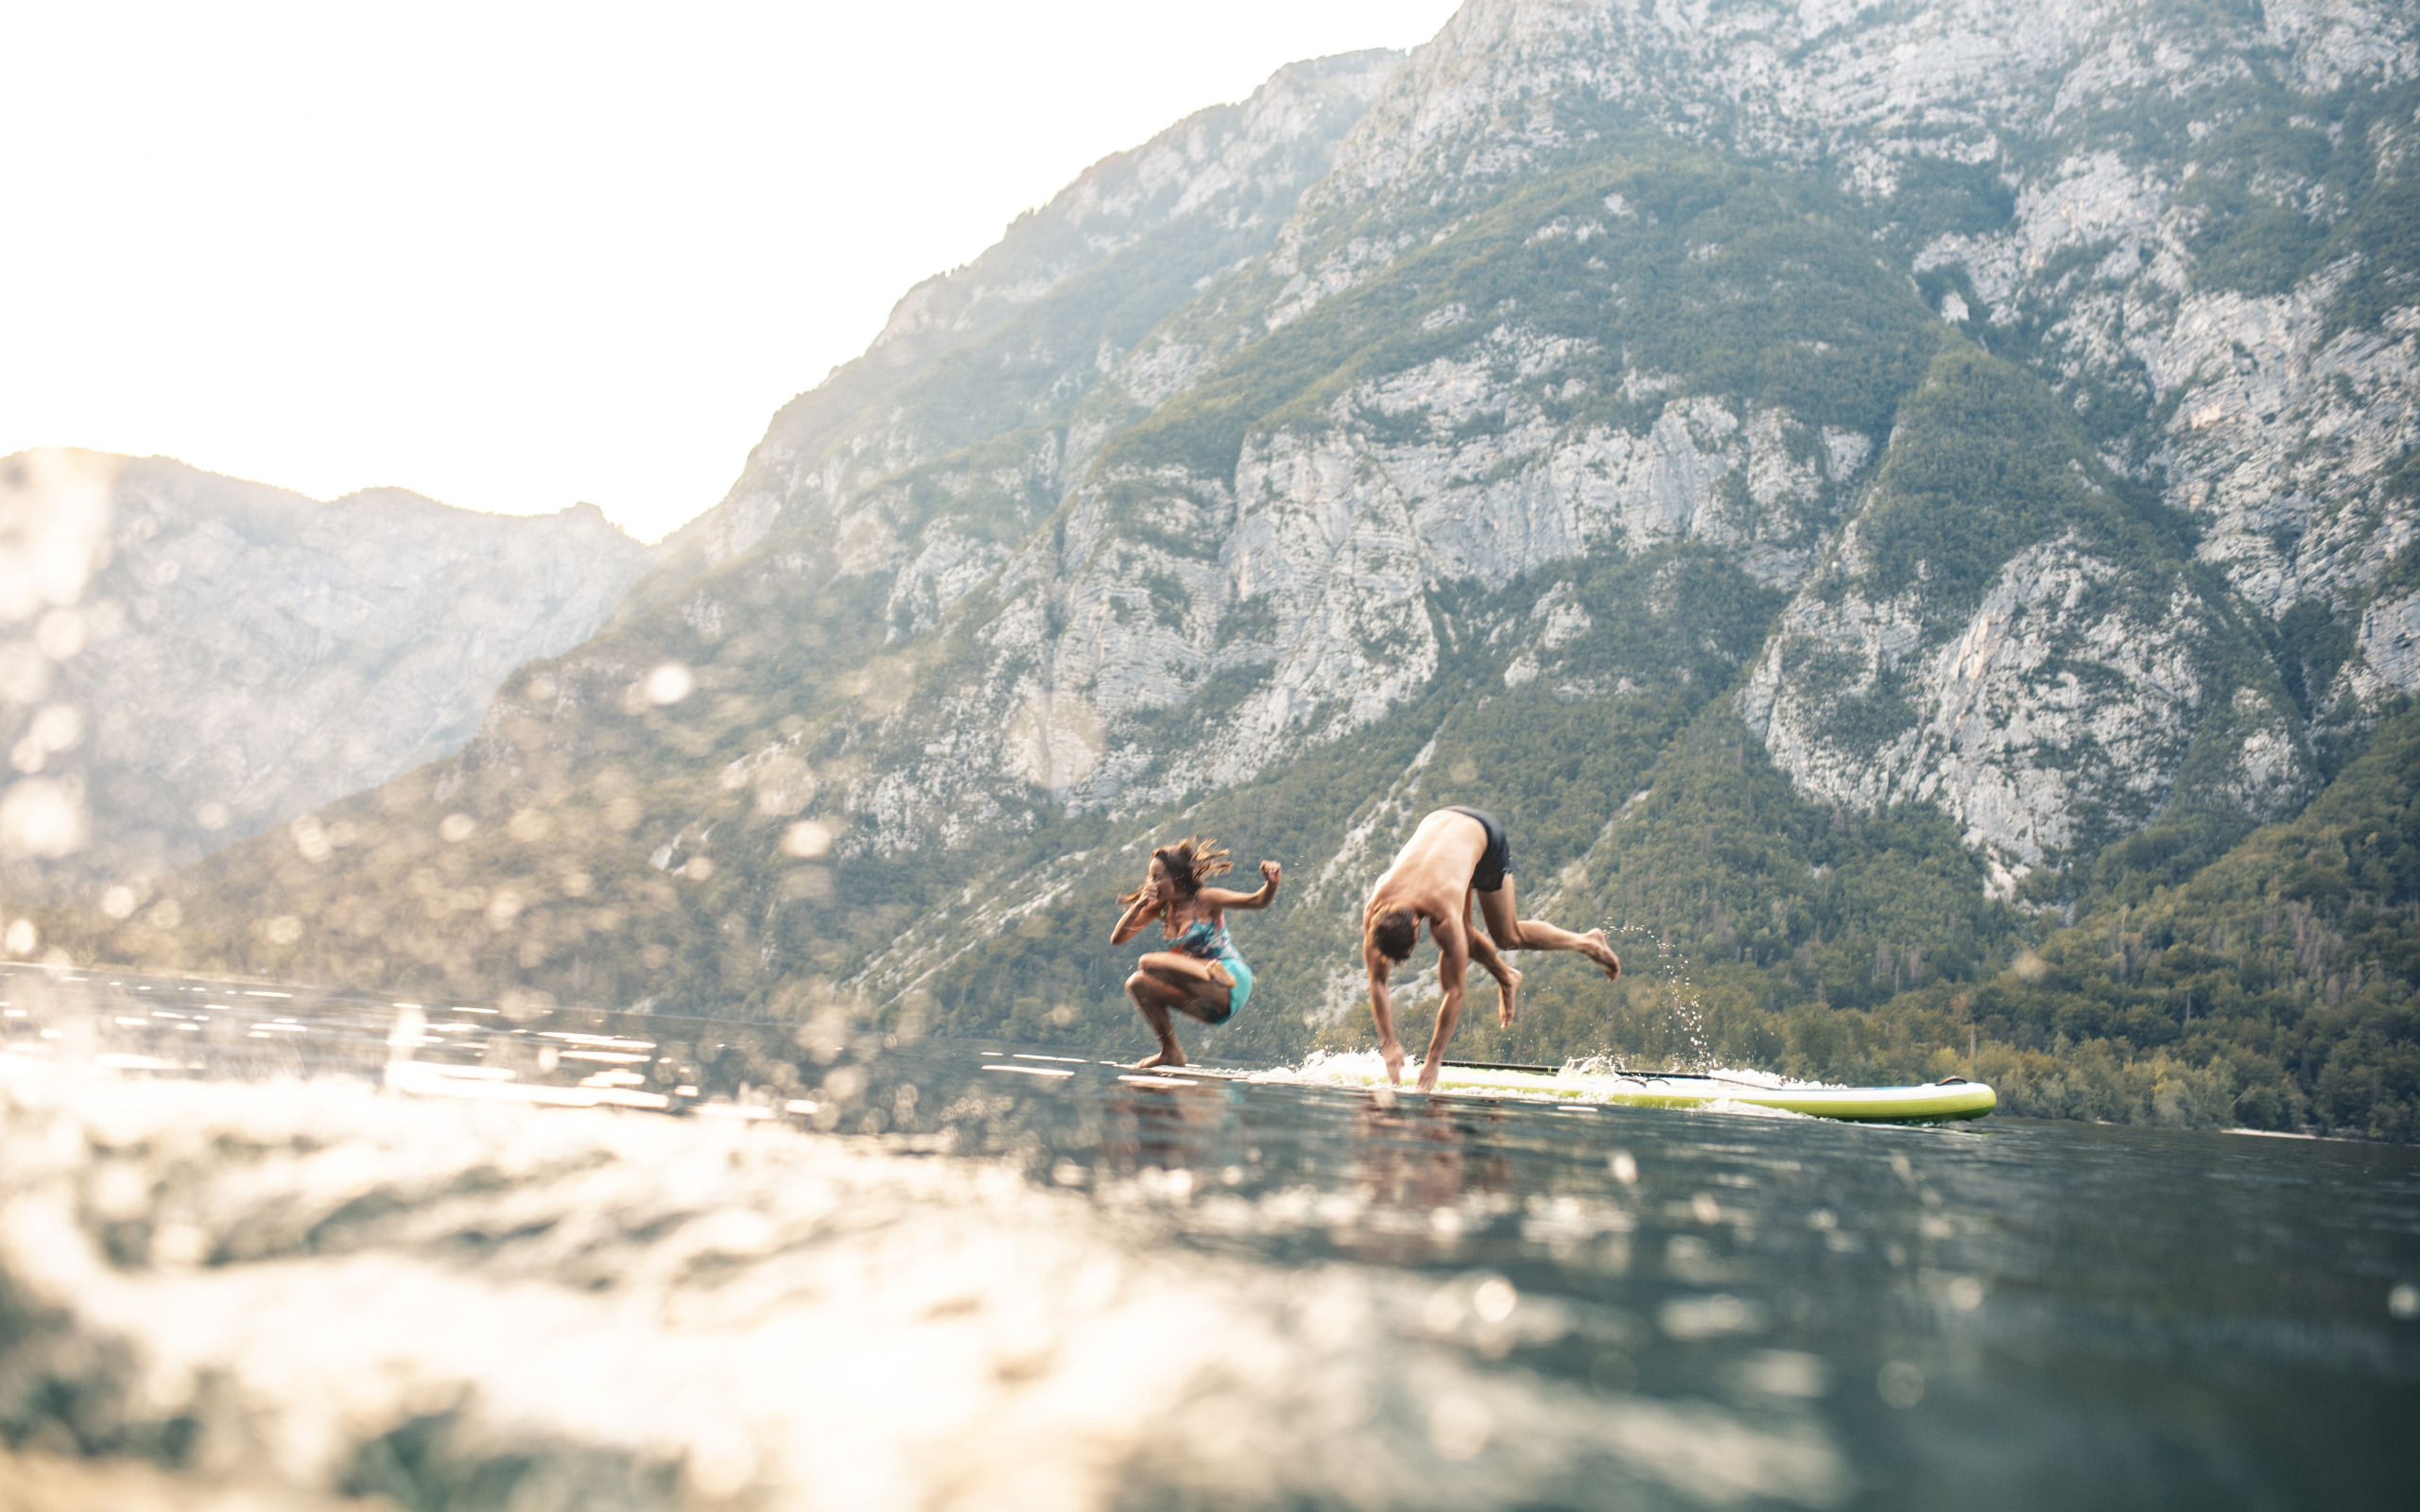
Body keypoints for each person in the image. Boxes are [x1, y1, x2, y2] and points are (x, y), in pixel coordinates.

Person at [1361, 805, 1620, 1091]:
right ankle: (1508, 977)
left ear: (1415, 924)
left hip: (1483, 836)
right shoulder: (1375, 907)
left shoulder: (1444, 915)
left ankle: (1587, 942)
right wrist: (1389, 1044)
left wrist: (1433, 1061)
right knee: (1465, 940)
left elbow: (1455, 992)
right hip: (1442, 823)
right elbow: (1377, 981)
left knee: (1508, 937)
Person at [1112, 836, 1281, 1069]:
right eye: (1150, 877)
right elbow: (1118, 938)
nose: (1152, 883)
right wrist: (1140, 904)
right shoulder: (1160, 909)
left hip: (1232, 980)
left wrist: (1271, 884)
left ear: (1178, 879)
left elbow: (1257, 901)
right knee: (1137, 983)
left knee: (1148, 962)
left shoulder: (1204, 899)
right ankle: (1171, 1053)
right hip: (1209, 1002)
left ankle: (1215, 973)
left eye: (1158, 877)